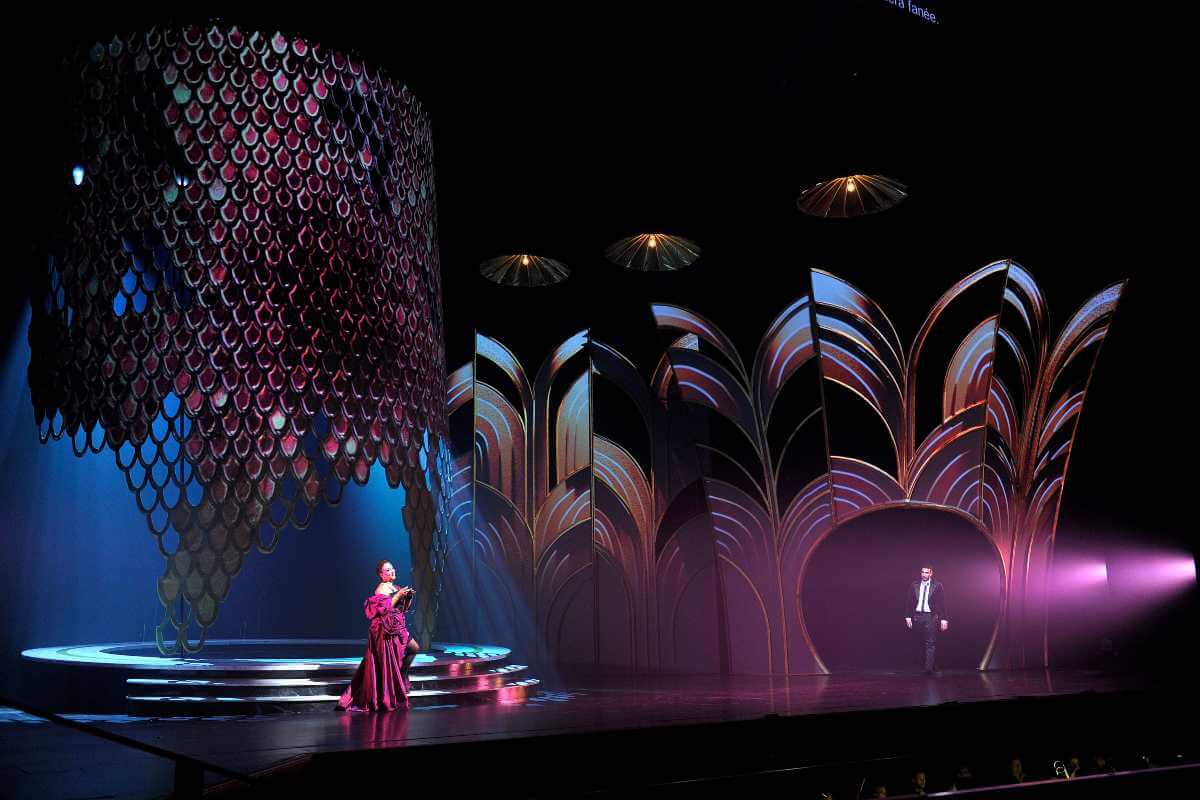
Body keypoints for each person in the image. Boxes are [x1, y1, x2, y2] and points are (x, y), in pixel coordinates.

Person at [338, 560, 420, 711]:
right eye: (387, 570)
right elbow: (385, 608)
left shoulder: (395, 587)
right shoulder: (381, 589)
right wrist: (399, 595)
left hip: (398, 626)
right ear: (381, 574)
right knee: (392, 660)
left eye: (392, 568)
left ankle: (401, 678)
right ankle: (391, 690)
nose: (392, 571)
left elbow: (403, 609)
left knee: (414, 648)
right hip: (386, 629)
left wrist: (408, 597)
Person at [904, 564, 948, 674]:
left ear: (931, 573)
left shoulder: (937, 585)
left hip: (930, 616)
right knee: (918, 641)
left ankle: (928, 669)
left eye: (926, 572)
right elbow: (909, 601)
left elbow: (942, 603)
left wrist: (944, 619)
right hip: (917, 616)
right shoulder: (914, 585)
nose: (924, 574)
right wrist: (907, 616)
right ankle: (928, 665)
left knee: (930, 642)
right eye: (922, 572)